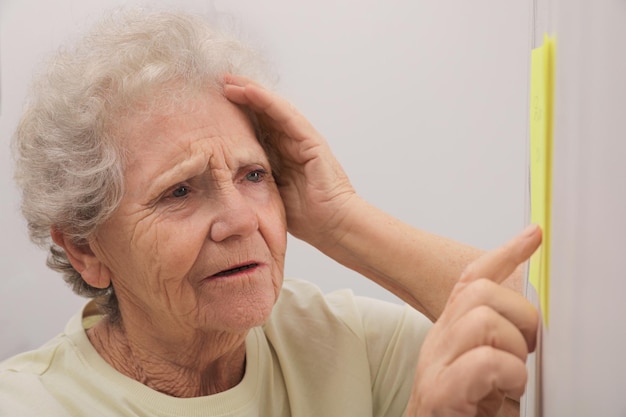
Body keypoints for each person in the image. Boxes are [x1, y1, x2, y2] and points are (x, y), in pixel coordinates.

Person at [0, 9, 540, 417]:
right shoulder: (30, 403)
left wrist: (342, 220)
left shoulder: (338, 342)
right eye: (179, 192)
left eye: (253, 176)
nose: (239, 219)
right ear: (86, 249)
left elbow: (567, 342)